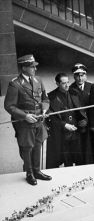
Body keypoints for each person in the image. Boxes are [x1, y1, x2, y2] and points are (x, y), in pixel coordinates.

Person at [4, 54, 51, 186]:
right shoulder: (15, 84)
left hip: (39, 120)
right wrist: (25, 116)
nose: (35, 69)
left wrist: (44, 110)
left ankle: (37, 171)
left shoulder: (38, 80)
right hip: (25, 122)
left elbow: (45, 99)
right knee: (27, 147)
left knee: (37, 144)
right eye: (31, 67)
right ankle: (29, 173)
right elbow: (9, 106)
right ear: (24, 68)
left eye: (35, 66)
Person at [46, 73, 87, 168]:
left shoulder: (75, 92)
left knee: (79, 158)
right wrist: (64, 125)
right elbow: (51, 117)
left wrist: (84, 119)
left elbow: (82, 109)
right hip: (62, 133)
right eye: (64, 83)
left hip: (76, 131)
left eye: (68, 82)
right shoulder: (51, 97)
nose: (67, 85)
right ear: (57, 83)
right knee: (66, 159)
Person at [69, 63, 94, 164]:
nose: (80, 78)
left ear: (86, 75)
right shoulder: (70, 89)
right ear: (74, 76)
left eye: (82, 75)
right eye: (77, 75)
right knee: (79, 151)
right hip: (77, 124)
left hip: (90, 123)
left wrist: (88, 119)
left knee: (91, 149)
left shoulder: (92, 87)